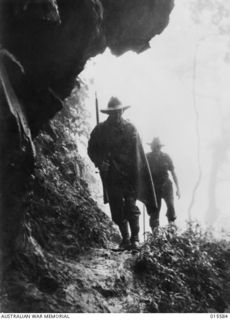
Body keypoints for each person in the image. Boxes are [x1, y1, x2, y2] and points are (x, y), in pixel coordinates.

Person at [88, 97, 157, 250]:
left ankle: (135, 239)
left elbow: (138, 154)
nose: (117, 115)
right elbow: (92, 149)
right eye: (113, 113)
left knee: (131, 207)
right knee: (117, 209)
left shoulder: (131, 129)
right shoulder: (100, 130)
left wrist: (137, 174)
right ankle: (125, 239)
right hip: (112, 176)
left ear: (122, 111)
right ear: (109, 113)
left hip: (130, 176)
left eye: (119, 112)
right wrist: (100, 161)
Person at [146, 137, 180, 231]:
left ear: (160, 147)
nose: (156, 149)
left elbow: (173, 172)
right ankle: (155, 236)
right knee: (154, 212)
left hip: (167, 186)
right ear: (151, 147)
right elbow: (141, 173)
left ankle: (172, 234)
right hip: (154, 188)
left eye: (158, 147)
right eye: (154, 147)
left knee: (171, 208)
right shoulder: (147, 157)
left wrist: (178, 188)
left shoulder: (166, 157)